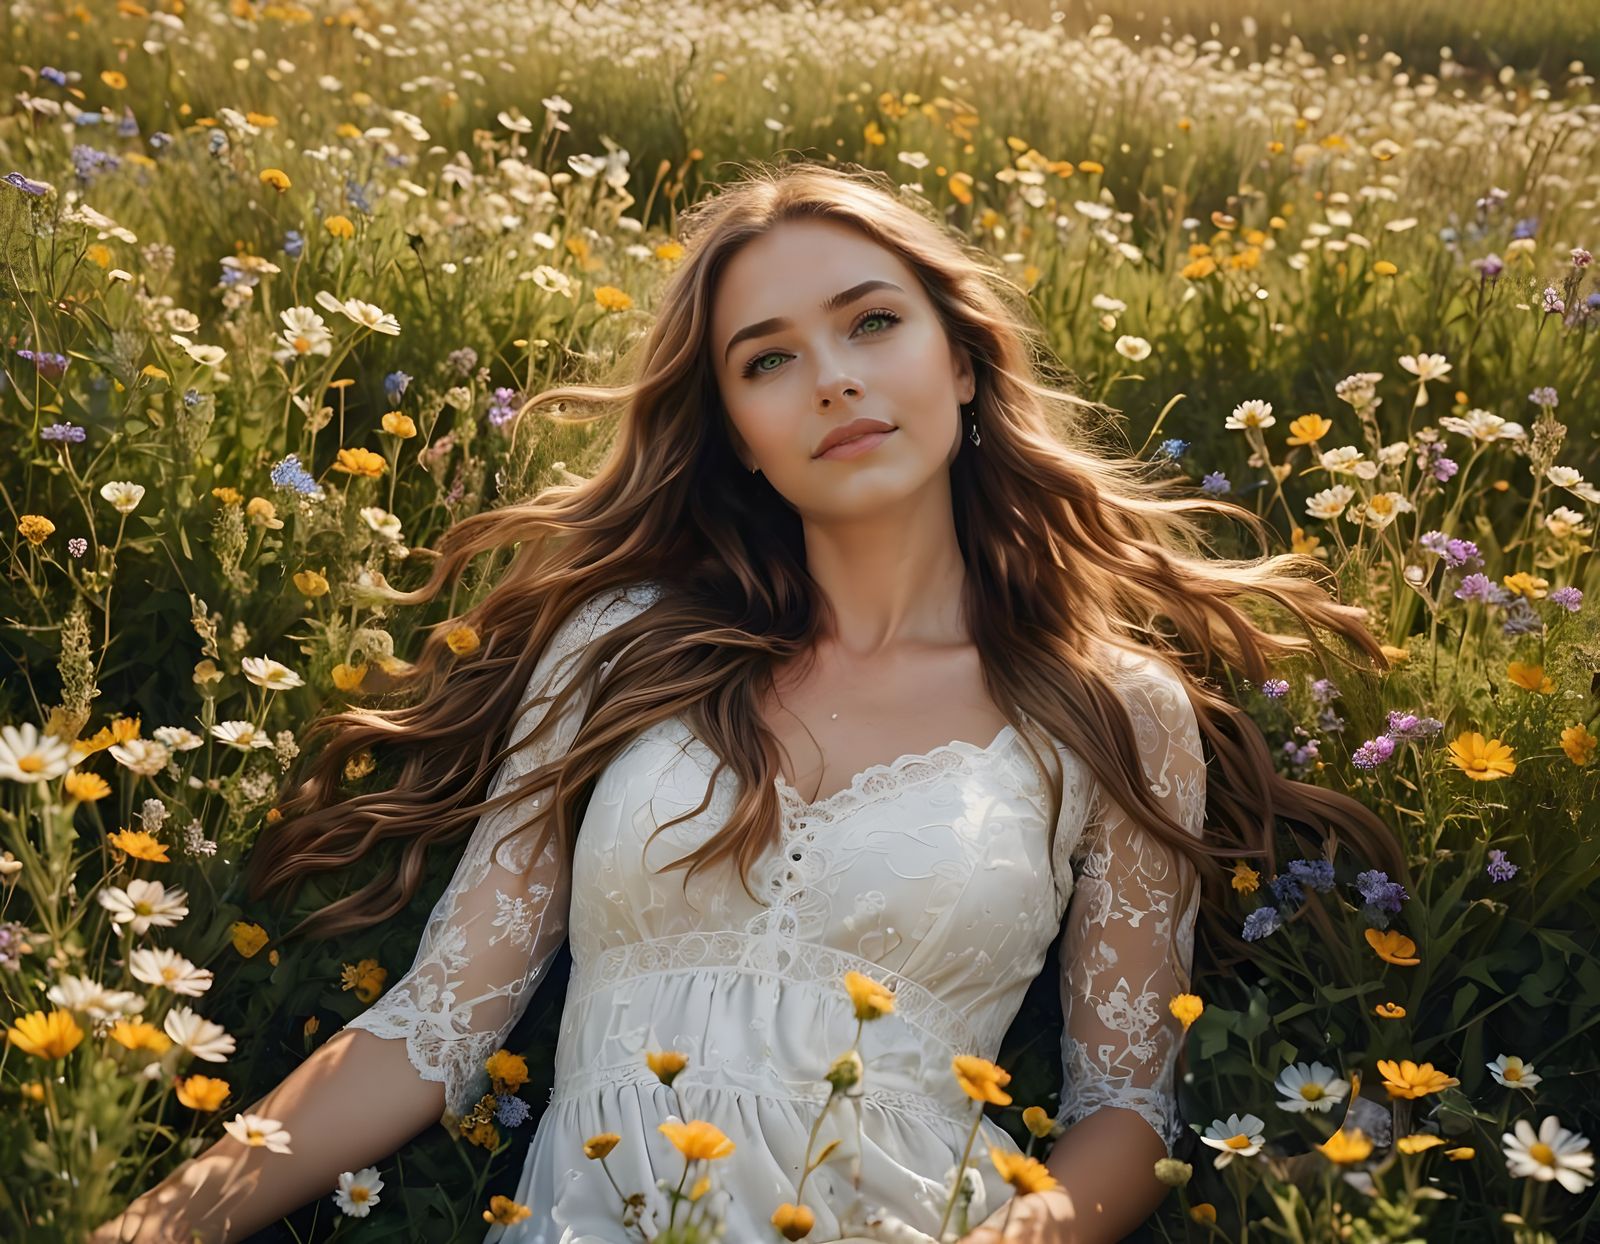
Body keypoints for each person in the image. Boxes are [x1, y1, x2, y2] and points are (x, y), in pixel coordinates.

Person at [93, 161, 1406, 1244]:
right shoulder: (623, 649)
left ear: (962, 361)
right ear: (733, 429)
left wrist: (1024, 1236)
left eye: (873, 323)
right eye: (768, 360)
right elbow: (434, 1028)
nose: (833, 376)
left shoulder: (1112, 708)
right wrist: (158, 1228)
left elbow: (1125, 1104)